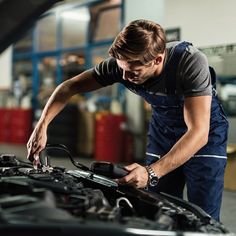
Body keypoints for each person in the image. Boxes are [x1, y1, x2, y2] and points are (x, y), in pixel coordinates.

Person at [27, 19, 228, 221]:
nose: (124, 75)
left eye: (133, 71)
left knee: (203, 215)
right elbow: (68, 87)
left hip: (205, 136)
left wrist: (151, 172)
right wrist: (42, 126)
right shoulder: (121, 66)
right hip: (163, 130)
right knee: (159, 208)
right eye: (121, 68)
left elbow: (198, 133)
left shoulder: (190, 62)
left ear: (157, 60)